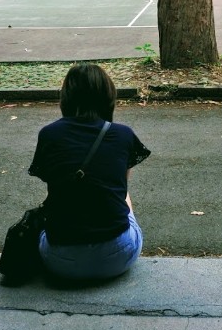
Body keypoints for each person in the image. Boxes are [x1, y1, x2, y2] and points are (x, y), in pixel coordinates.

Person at [29, 64, 151, 282]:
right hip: (117, 256)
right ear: (108, 95)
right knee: (123, 195)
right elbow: (120, 185)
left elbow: (50, 179)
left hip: (59, 260)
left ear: (66, 97)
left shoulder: (49, 135)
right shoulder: (123, 135)